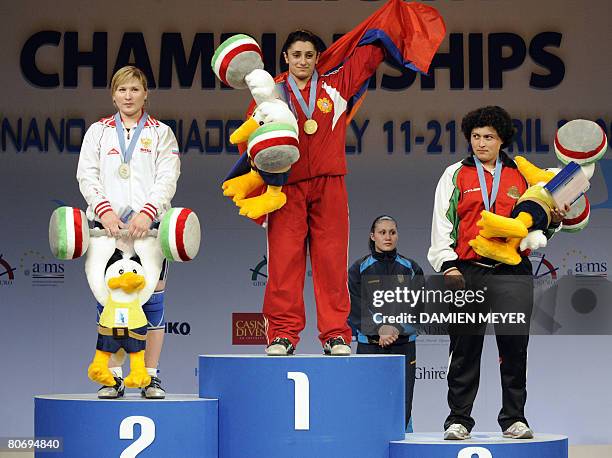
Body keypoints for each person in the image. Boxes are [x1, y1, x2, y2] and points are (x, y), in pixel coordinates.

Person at [427, 106, 566, 440]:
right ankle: (458, 419)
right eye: (475, 137)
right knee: (464, 348)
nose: (481, 143)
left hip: (513, 270)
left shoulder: (521, 174)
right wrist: (448, 265)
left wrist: (557, 218)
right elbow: (442, 222)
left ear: (502, 139)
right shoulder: (454, 174)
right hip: (468, 271)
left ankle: (514, 419)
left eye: (488, 136)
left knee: (514, 347)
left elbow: (542, 221)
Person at [261, 30, 389, 356]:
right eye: (296, 54)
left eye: (309, 55)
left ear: (318, 58)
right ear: (286, 58)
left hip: (330, 183)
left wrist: (389, 23)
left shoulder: (335, 85)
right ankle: (283, 335)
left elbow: (368, 57)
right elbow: (255, 140)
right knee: (283, 264)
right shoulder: (269, 93)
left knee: (331, 262)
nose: (302, 61)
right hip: (286, 186)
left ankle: (335, 334)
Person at [77, 65, 180, 398]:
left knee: (152, 304)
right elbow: (86, 175)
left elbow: (168, 177)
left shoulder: (161, 132)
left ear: (145, 93)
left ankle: (150, 376)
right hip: (106, 231)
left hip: (147, 233)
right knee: (108, 303)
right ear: (113, 94)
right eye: (122, 90)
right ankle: (114, 377)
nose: (128, 96)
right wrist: (105, 212)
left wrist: (148, 214)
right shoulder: (98, 131)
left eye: (135, 89)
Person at [348, 215, 423, 432]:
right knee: (368, 401)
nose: (388, 237)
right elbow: (355, 305)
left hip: (403, 345)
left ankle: (403, 445)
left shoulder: (411, 268)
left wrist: (394, 327)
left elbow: (417, 307)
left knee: (403, 402)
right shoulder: (359, 268)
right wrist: (379, 328)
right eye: (382, 232)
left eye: (392, 232)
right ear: (373, 236)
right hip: (370, 345)